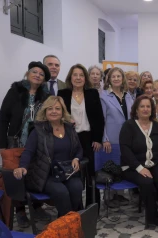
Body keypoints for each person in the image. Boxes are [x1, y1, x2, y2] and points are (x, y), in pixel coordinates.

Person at [0, 61, 51, 227]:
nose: (37, 75)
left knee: (35, 173)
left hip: (37, 143)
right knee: (16, 176)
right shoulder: (15, 91)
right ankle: (20, 211)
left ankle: (36, 206)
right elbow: (3, 118)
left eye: (41, 74)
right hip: (15, 141)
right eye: (34, 72)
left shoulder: (45, 96)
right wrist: (1, 143)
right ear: (27, 74)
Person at [119, 95, 158, 234]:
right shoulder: (128, 126)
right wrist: (140, 168)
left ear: (152, 109)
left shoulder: (157, 126)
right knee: (147, 183)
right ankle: (153, 215)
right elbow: (125, 151)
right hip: (132, 166)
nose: (145, 109)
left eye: (148, 106)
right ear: (136, 110)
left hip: (154, 163)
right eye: (142, 106)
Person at [13, 96, 84, 217]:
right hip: (45, 174)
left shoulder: (70, 129)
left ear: (62, 111)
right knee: (61, 192)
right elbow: (28, 151)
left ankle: (68, 220)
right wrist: (22, 166)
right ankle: (67, 223)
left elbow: (79, 149)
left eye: (57, 108)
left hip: (66, 172)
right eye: (50, 109)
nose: (54, 111)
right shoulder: (38, 130)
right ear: (45, 112)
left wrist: (76, 158)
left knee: (77, 187)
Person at [57, 64, 105, 208]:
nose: (78, 78)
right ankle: (74, 208)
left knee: (91, 174)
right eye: (75, 75)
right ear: (70, 78)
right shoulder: (62, 93)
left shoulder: (92, 93)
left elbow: (99, 118)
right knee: (72, 173)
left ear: (85, 78)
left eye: (81, 75)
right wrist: (66, 120)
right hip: (69, 138)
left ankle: (93, 207)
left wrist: (97, 138)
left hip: (89, 138)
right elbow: (58, 115)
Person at [100, 67, 133, 206]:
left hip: (127, 137)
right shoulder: (104, 96)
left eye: (119, 76)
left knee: (123, 165)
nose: (116, 79)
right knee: (111, 165)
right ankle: (109, 197)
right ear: (109, 79)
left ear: (122, 78)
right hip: (111, 137)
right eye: (113, 76)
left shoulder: (128, 95)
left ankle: (119, 195)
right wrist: (104, 138)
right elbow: (101, 119)